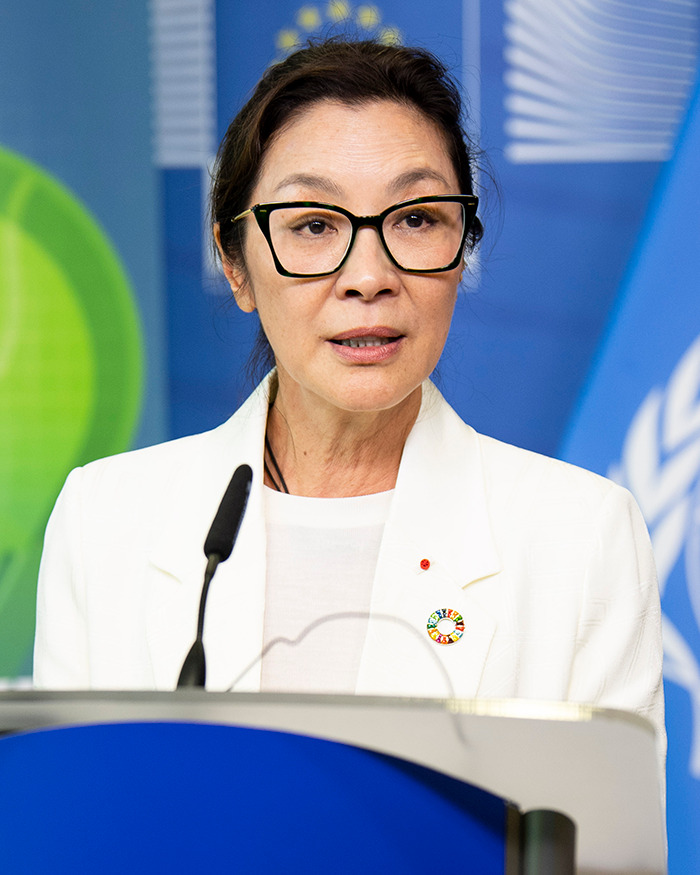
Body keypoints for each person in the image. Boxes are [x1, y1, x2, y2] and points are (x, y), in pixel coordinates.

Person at [33, 39, 664, 770]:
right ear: (235, 265)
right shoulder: (105, 516)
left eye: (416, 219)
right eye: (313, 225)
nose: (369, 275)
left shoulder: (580, 538)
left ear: (462, 252)